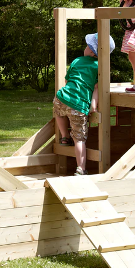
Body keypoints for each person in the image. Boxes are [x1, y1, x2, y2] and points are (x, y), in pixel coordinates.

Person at [53, 33, 115, 176]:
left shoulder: (77, 61)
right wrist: (93, 104)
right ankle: (81, 168)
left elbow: (68, 81)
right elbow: (97, 88)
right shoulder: (99, 67)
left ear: (92, 52)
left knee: (58, 112)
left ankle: (64, 136)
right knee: (79, 139)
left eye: (87, 46)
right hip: (79, 106)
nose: (85, 48)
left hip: (62, 98)